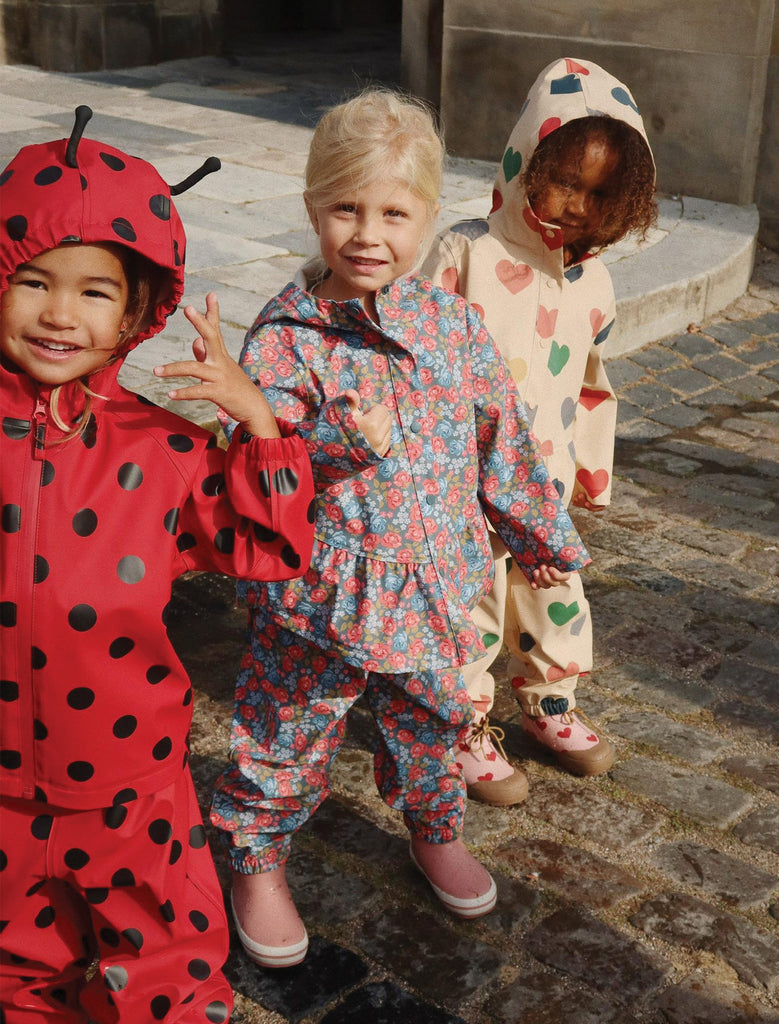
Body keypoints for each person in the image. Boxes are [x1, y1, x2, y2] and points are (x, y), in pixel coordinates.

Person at [209, 88, 590, 970]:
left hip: (432, 585)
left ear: (428, 217)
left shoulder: (453, 327)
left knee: (433, 720)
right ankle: (258, 860)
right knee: (285, 728)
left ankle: (435, 829)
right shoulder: (285, 336)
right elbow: (254, 471)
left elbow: (503, 440)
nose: (368, 234)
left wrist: (540, 541)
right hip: (320, 594)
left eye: (394, 211)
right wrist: (338, 441)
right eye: (345, 208)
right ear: (313, 209)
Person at [0, 108, 317, 1022]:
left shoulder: (164, 450)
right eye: (32, 281)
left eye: (96, 291)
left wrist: (257, 421)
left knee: (168, 964)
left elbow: (269, 546)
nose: (60, 313)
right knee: (19, 969)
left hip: (130, 787)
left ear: (139, 309)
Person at [423, 57, 657, 804]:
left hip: (544, 479)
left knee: (553, 592)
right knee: (470, 600)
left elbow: (590, 382)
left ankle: (549, 701)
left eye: (596, 194)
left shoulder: (593, 281)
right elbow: (420, 360)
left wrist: (590, 472)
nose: (574, 205)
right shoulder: (468, 252)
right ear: (527, 158)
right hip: (463, 480)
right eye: (562, 179)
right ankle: (458, 720)